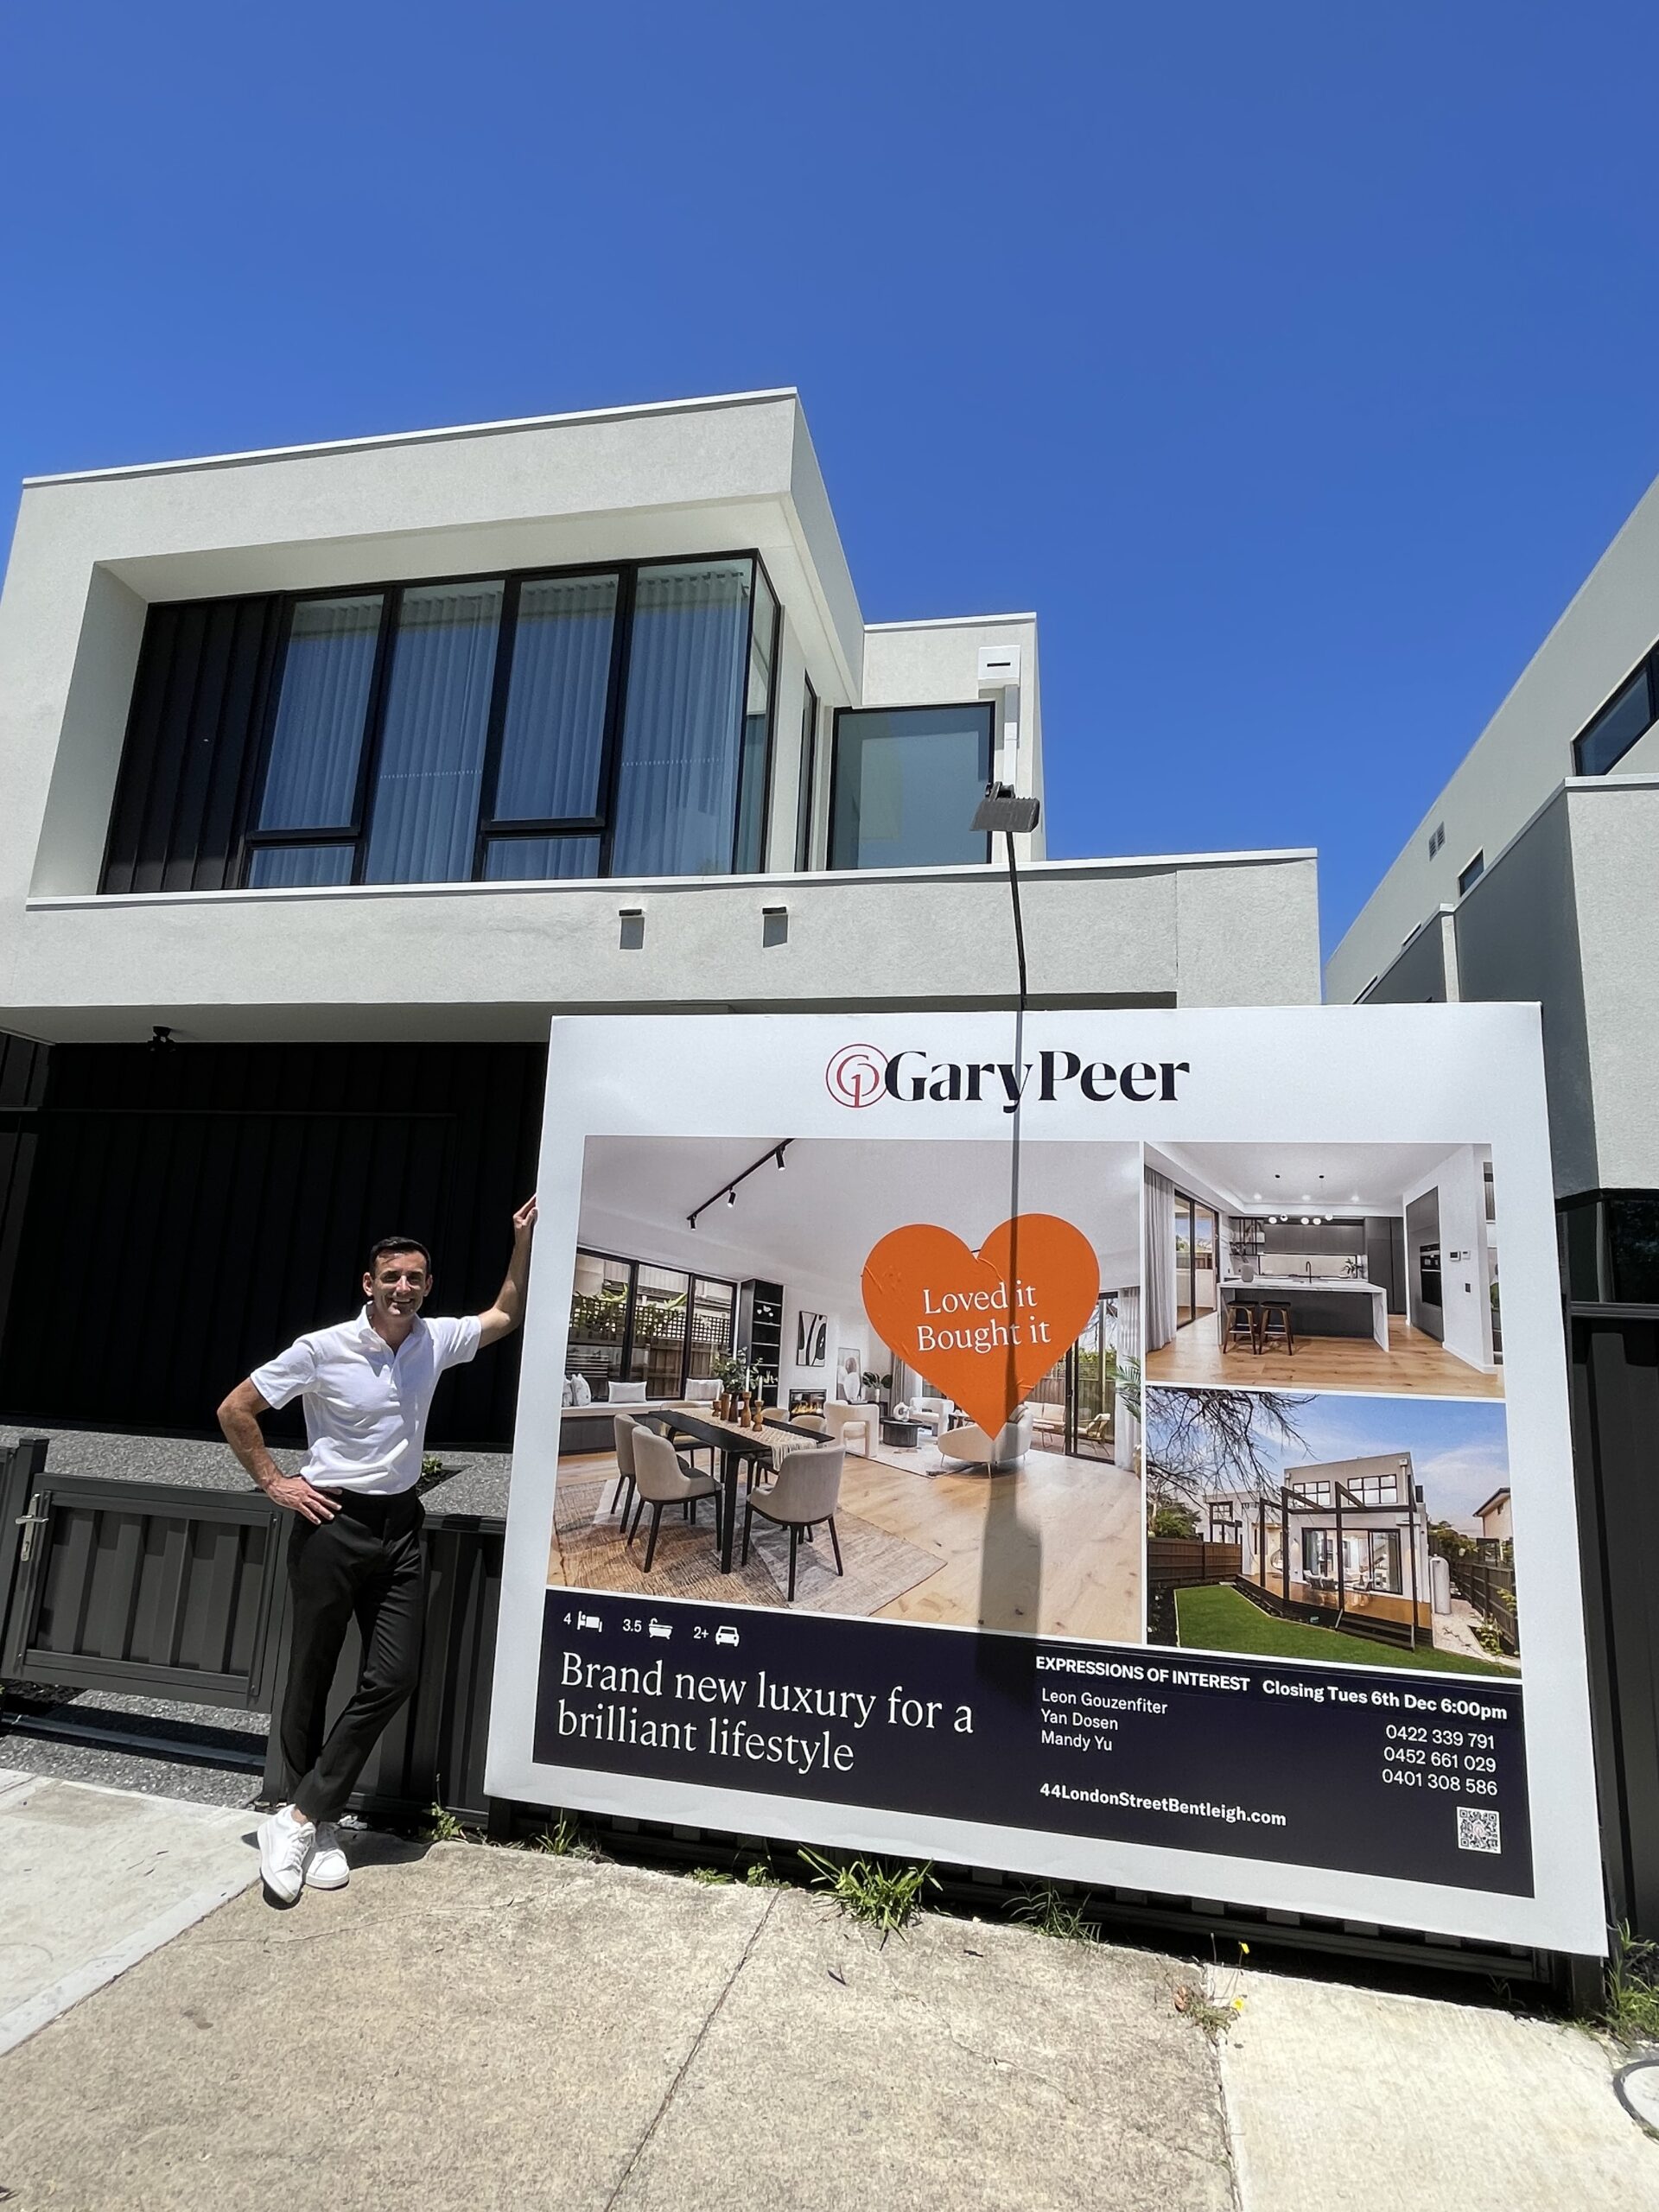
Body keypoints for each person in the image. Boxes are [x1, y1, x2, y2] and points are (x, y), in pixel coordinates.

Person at [219, 1200, 537, 1903]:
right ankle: (316, 1823)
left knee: (393, 1676)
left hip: (399, 1527)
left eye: (416, 1278)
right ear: (369, 1283)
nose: (404, 1288)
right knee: (311, 1673)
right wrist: (276, 1482)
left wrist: (522, 1241)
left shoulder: (435, 1339)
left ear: (427, 1285)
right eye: (392, 1276)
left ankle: (300, 1815)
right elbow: (235, 1409)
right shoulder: (321, 1348)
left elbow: (506, 1314)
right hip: (331, 1522)